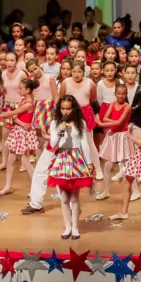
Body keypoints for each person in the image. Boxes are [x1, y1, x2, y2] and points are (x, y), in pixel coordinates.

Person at [46, 96, 96, 239]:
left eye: (68, 108)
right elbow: (54, 144)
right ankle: (67, 226)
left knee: (75, 197)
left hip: (76, 159)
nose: (65, 111)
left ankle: (75, 227)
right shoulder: (55, 123)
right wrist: (60, 130)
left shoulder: (80, 123)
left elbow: (84, 143)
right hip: (61, 159)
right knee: (63, 198)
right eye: (63, 108)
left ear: (73, 109)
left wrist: (89, 162)